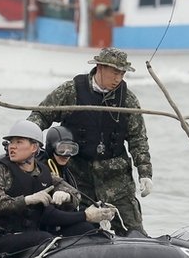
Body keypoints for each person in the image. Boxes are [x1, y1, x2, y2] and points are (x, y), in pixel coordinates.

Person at [27, 47, 152, 236]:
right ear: (100, 67)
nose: (119, 78)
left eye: (122, 73)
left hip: (116, 180)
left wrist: (145, 173)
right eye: (115, 72)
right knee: (83, 232)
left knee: (134, 232)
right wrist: (29, 141)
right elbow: (41, 115)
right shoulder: (71, 91)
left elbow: (138, 139)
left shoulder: (128, 100)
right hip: (77, 177)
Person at [0, 120, 116, 258]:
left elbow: (75, 194)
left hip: (30, 234)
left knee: (85, 228)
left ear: (34, 147)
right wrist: (28, 199)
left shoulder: (44, 173)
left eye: (19, 142)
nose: (12, 147)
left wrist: (66, 196)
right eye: (11, 142)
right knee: (45, 239)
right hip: (0, 237)